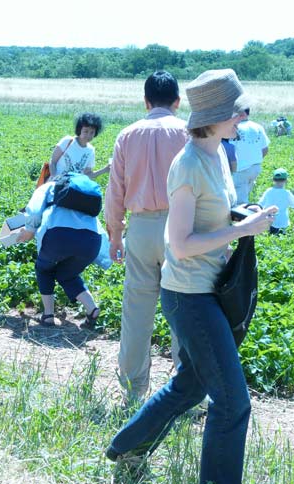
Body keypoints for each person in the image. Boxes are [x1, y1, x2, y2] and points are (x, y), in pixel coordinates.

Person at [106, 69, 278, 484]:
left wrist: (243, 215)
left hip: (206, 288)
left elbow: (210, 214)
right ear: (218, 114)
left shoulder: (217, 153)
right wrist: (240, 231)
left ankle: (127, 447)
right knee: (233, 404)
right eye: (237, 112)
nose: (242, 118)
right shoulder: (188, 164)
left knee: (190, 387)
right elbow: (180, 244)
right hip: (189, 296)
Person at [104, 71, 189, 404]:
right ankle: (185, 390)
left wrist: (115, 234)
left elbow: (115, 191)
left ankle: (133, 390)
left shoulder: (128, 135)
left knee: (137, 311)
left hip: (139, 227)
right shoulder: (188, 133)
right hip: (182, 228)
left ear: (145, 101)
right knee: (184, 309)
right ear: (178, 102)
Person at [16, 176, 101, 328]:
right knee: (67, 275)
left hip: (58, 235)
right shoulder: (85, 197)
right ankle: (92, 309)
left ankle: (48, 315)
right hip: (92, 240)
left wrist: (29, 230)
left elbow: (34, 211)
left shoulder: (48, 187)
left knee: (44, 269)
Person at [49, 112, 110, 180]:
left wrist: (104, 170)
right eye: (85, 131)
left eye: (92, 132)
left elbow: (87, 175)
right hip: (56, 183)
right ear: (79, 129)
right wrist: (54, 178)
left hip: (73, 187)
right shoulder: (67, 141)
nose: (88, 135)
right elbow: (53, 161)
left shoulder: (90, 151)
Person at [230, 108, 270, 204]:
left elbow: (230, 150)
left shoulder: (235, 127)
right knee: (246, 193)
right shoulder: (258, 127)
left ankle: (243, 217)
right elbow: (265, 149)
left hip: (240, 169)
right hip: (255, 167)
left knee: (240, 203)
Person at [258, 168, 294, 235]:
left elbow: (260, 204)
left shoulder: (268, 191)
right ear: (286, 180)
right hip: (283, 223)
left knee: (270, 236)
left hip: (269, 221)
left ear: (273, 180)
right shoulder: (287, 193)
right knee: (282, 237)